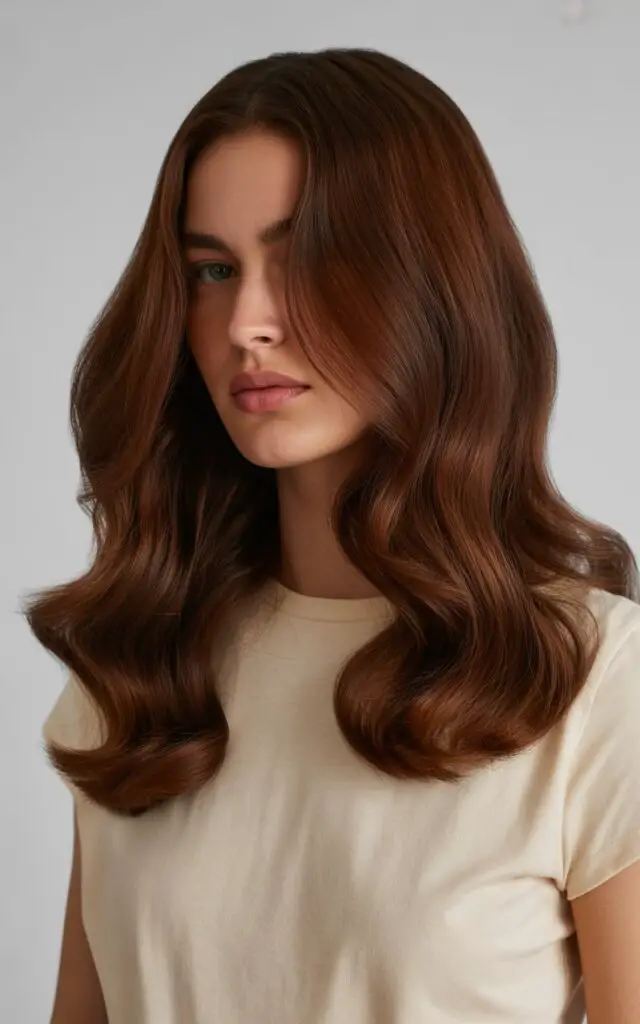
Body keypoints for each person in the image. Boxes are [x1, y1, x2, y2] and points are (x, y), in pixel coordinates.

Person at [26, 47, 640, 1024]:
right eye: (212, 270)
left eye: (306, 259)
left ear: (431, 283)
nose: (247, 323)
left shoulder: (589, 676)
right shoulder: (142, 666)